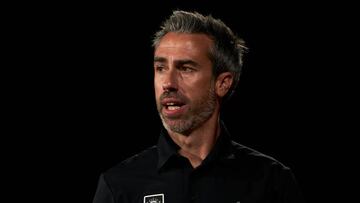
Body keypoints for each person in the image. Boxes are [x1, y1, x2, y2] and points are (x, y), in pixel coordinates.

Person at [93, 10, 305, 203]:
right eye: (160, 68)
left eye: (185, 68)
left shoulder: (272, 182)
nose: (168, 83)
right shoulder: (119, 185)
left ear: (222, 83)